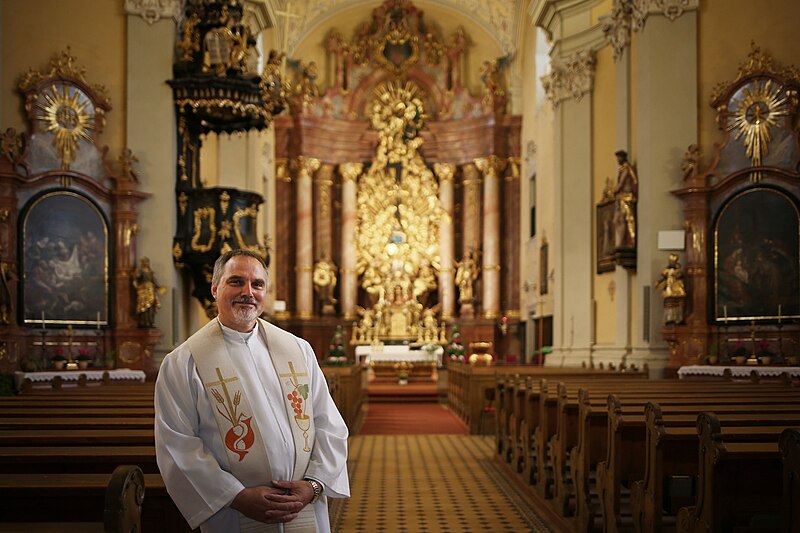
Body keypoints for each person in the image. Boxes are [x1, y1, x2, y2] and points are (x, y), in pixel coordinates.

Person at [155, 249, 350, 532]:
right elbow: (178, 445)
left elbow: (329, 425)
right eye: (236, 282)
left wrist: (313, 485)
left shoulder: (298, 350)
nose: (248, 292)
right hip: (235, 513)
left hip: (303, 506)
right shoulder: (184, 363)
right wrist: (236, 496)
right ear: (214, 289)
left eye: (257, 284)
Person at [612, 150, 638, 249]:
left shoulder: (627, 168)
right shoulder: (622, 169)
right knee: (616, 220)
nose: (618, 160)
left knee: (624, 219)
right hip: (621, 197)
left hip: (627, 197)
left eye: (619, 158)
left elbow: (621, 183)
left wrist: (614, 191)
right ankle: (620, 241)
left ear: (623, 157)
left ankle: (625, 241)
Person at [133, 256, 166, 328]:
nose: (145, 263)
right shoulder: (140, 271)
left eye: (146, 261)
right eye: (144, 262)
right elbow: (136, 280)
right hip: (143, 291)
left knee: (151, 307)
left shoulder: (151, 272)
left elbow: (154, 281)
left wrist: (159, 287)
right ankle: (143, 322)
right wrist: (136, 276)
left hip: (150, 291)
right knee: (143, 307)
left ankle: (150, 321)